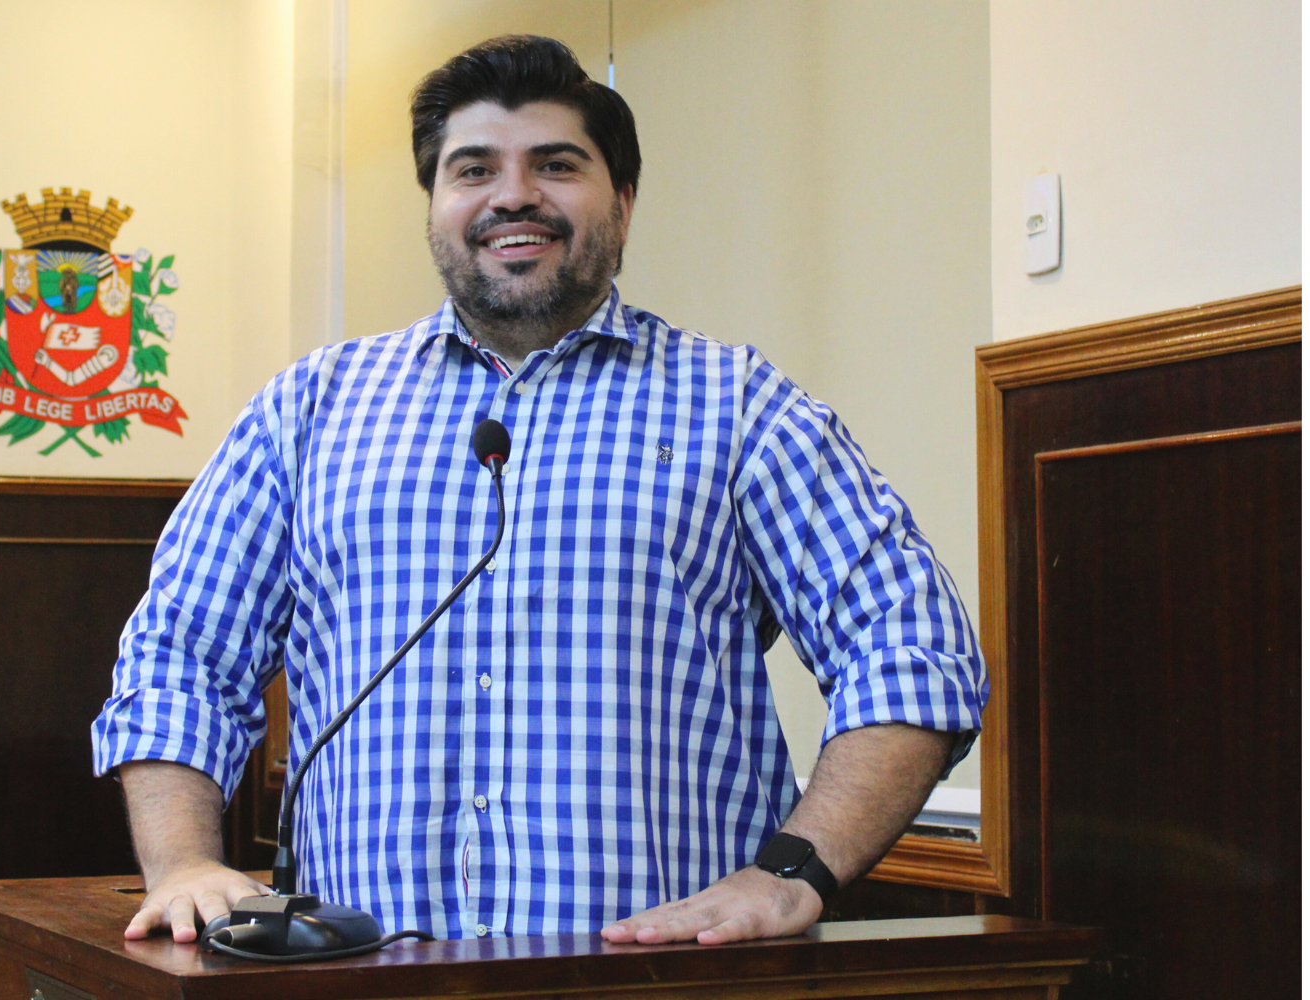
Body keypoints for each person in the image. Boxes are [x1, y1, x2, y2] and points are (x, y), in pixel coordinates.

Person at [92, 34, 986, 948]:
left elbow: (915, 650)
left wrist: (793, 871)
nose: (513, 194)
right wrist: (181, 862)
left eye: (556, 165)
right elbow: (180, 657)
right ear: (435, 207)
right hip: (362, 978)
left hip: (654, 978)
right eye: (473, 169)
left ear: (623, 203)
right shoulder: (308, 411)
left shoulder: (740, 406)